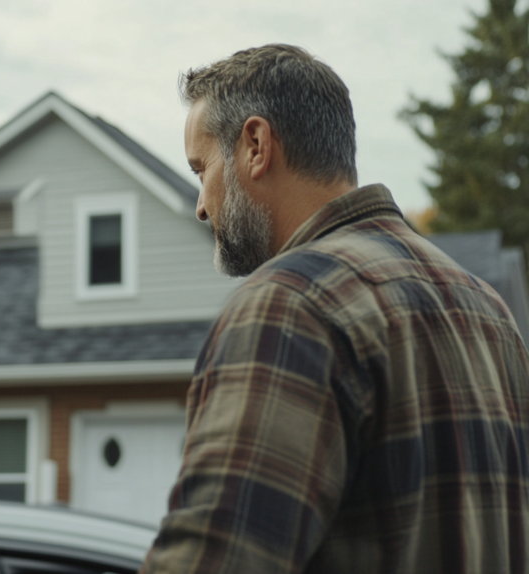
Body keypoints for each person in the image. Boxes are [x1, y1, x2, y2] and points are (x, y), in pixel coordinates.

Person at [144, 44, 529, 573]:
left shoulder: (290, 306)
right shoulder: (492, 314)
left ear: (255, 146)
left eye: (200, 169)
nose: (201, 207)